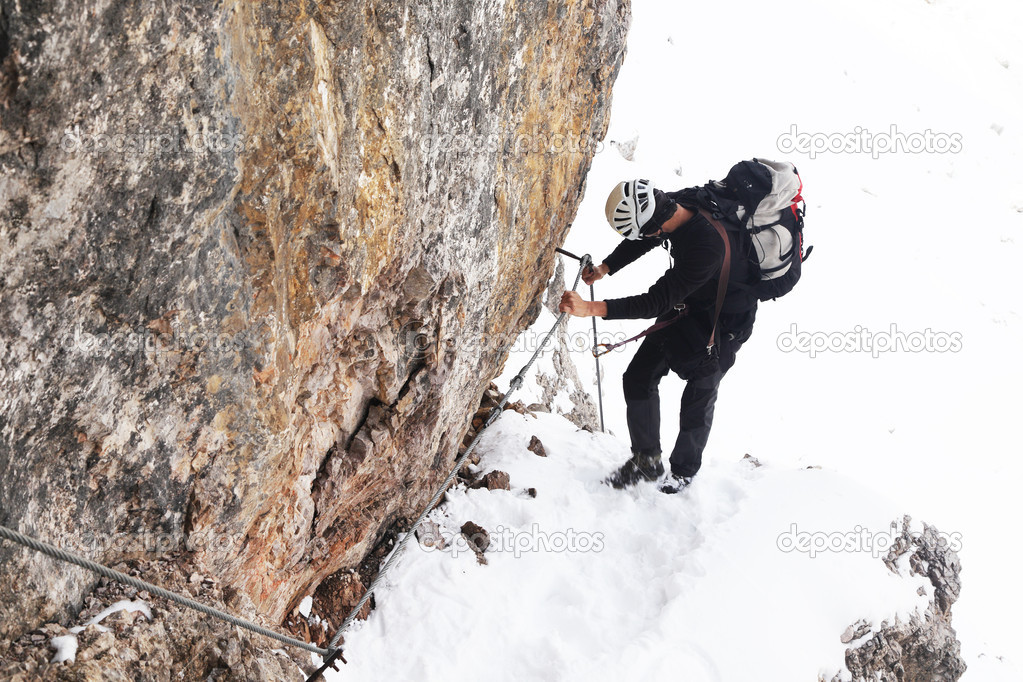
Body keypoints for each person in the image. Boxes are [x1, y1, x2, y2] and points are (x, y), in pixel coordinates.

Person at [559, 178, 758, 494]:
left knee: (698, 396)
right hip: (687, 302)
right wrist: (606, 267)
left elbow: (655, 301)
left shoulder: (707, 246)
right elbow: (645, 238)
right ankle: (646, 460)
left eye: (649, 231)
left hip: (722, 324)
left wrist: (590, 308)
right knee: (638, 377)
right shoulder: (675, 203)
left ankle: (683, 472)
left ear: (656, 224)